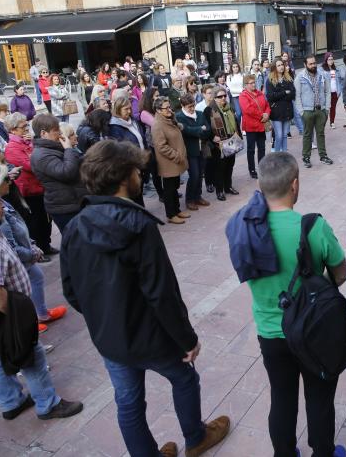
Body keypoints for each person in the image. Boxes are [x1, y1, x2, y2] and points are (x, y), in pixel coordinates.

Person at [60, 141, 229, 457]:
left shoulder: (74, 227)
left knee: (128, 401)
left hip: (111, 338)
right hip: (151, 337)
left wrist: (104, 316)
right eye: (137, 171)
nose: (141, 175)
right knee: (183, 378)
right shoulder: (139, 226)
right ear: (125, 177)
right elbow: (162, 293)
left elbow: (72, 290)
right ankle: (196, 438)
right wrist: (187, 339)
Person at [241, 152, 346, 457]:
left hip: (270, 332)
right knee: (319, 396)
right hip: (312, 330)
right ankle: (323, 452)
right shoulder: (312, 227)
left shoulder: (246, 227)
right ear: (295, 185)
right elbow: (340, 275)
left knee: (282, 396)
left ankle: (285, 453)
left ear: (261, 187)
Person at [0, 186, 83, 420]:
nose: (3, 206)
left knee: (0, 358)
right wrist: (17, 320)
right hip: (1, 312)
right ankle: (48, 404)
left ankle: (11, 402)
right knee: (32, 356)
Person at [0, 162, 67, 332]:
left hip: (24, 259)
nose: (11, 180)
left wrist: (32, 246)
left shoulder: (1, 204)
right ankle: (31, 322)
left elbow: (19, 231)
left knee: (35, 278)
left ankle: (40, 314)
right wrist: (31, 253)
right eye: (6, 178)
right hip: (19, 266)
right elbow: (10, 249)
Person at [4, 112, 58, 257]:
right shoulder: (12, 147)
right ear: (13, 130)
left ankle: (46, 245)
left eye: (27, 126)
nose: (27, 129)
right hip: (28, 191)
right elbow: (32, 165)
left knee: (45, 220)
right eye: (23, 127)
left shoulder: (29, 143)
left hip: (40, 188)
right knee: (34, 223)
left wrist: (33, 144)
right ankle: (39, 250)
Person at [29, 113, 88, 233]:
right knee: (76, 243)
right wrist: (68, 149)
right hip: (65, 207)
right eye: (56, 131)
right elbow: (67, 172)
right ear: (43, 133)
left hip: (74, 202)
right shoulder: (41, 155)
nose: (60, 134)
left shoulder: (52, 147)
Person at [151, 97, 191, 224]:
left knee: (174, 187)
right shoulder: (157, 125)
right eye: (166, 108)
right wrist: (177, 156)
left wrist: (173, 119)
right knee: (169, 189)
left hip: (175, 162)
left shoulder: (168, 119)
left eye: (169, 106)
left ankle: (177, 210)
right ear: (158, 110)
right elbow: (161, 146)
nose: (169, 109)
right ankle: (171, 214)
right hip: (169, 163)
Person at [294, 55, 334, 168]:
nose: (313, 65)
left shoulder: (322, 75)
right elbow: (297, 96)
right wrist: (301, 112)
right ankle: (306, 158)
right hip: (307, 111)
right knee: (307, 135)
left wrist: (327, 109)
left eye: (314, 63)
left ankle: (323, 156)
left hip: (321, 111)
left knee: (321, 134)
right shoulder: (300, 77)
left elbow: (327, 92)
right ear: (305, 65)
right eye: (310, 64)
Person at [176, 94, 212, 210]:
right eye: (189, 107)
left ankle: (198, 196)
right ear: (182, 106)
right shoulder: (179, 116)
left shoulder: (200, 114)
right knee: (194, 175)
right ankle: (189, 199)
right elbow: (185, 131)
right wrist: (199, 129)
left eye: (193, 105)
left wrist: (197, 131)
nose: (192, 108)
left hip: (202, 148)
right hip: (190, 150)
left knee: (201, 174)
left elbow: (208, 129)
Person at [204, 87, 239, 201]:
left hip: (231, 141)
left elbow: (236, 122)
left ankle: (228, 187)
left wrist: (237, 134)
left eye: (224, 96)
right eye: (220, 96)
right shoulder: (209, 110)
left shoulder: (230, 107)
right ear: (214, 98)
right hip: (218, 144)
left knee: (230, 165)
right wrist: (212, 137)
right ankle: (219, 191)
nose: (223, 98)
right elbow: (206, 128)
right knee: (219, 168)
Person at [240, 74, 271, 178]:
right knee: (251, 149)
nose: (254, 84)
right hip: (251, 126)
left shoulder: (259, 93)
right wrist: (262, 115)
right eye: (251, 83)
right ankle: (252, 169)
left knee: (262, 148)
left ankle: (262, 167)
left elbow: (267, 105)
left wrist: (267, 114)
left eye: (254, 82)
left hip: (261, 125)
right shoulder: (243, 96)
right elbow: (247, 110)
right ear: (246, 85)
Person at [266, 60, 295, 153]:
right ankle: (277, 155)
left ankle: (284, 154)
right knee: (278, 135)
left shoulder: (288, 78)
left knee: (285, 135)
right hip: (276, 112)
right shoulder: (270, 80)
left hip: (287, 110)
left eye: (282, 64)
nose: (281, 67)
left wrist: (280, 95)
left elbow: (293, 94)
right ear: (274, 67)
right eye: (278, 65)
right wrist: (284, 92)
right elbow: (270, 96)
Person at [320, 53, 341, 129]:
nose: (331, 61)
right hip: (326, 93)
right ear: (326, 60)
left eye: (332, 59)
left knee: (333, 108)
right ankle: (323, 122)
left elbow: (339, 81)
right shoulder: (321, 70)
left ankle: (332, 122)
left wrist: (339, 91)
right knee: (326, 108)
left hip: (335, 92)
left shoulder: (336, 69)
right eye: (329, 59)